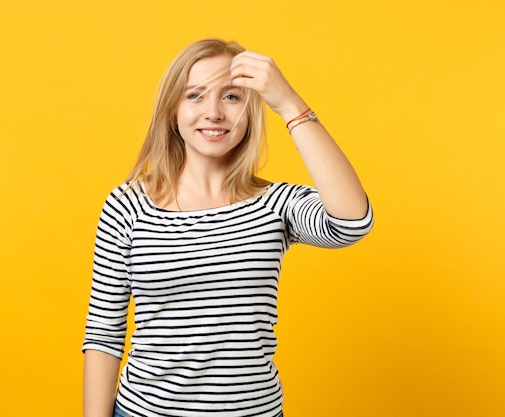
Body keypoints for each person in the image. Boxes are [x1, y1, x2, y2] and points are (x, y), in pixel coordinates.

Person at [82, 38, 373, 417]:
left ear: (250, 112)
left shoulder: (273, 204)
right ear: (173, 111)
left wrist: (288, 103)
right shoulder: (128, 205)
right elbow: (104, 333)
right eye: (196, 96)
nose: (214, 113)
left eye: (232, 97)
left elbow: (352, 222)